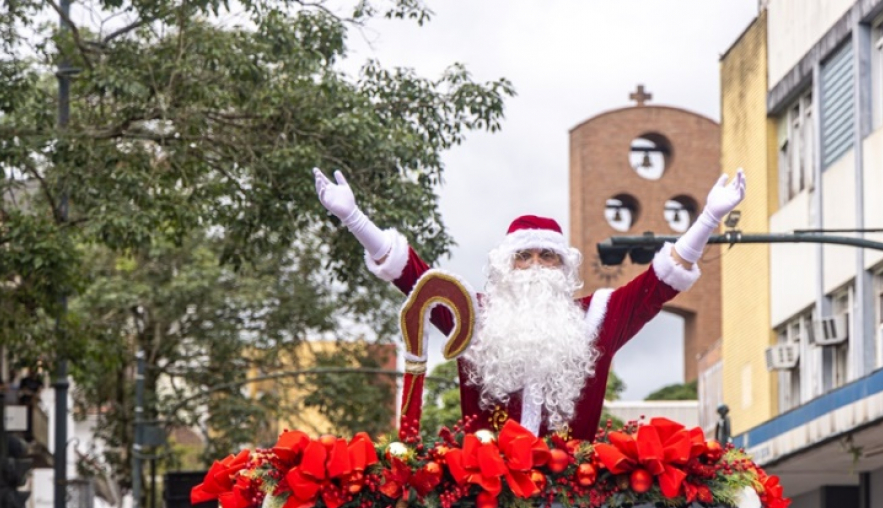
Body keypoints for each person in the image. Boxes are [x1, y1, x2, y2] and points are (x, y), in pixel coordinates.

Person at [313, 167, 746, 439]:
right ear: (506, 265)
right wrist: (354, 219)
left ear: (563, 267)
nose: (536, 265)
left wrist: (708, 218)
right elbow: (414, 277)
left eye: (547, 256)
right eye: (524, 256)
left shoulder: (597, 317)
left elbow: (661, 280)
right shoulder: (474, 315)